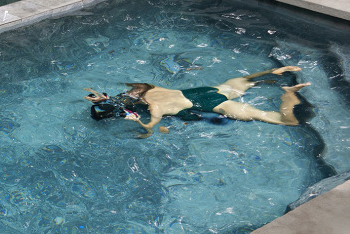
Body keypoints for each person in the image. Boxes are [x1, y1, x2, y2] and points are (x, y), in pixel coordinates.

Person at [84, 66, 311, 137]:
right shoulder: (150, 89)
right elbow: (126, 97)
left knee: (284, 120)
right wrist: (107, 99)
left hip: (209, 105)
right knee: (245, 80)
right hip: (207, 91)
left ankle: (289, 94)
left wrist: (135, 121)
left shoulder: (156, 108)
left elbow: (149, 130)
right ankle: (276, 72)